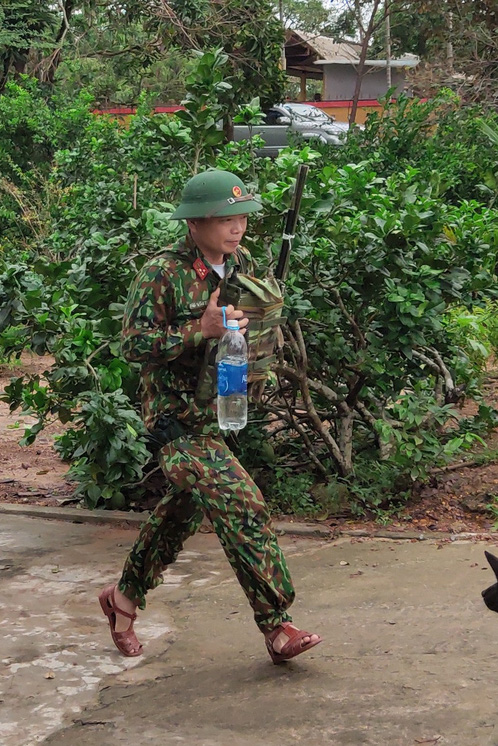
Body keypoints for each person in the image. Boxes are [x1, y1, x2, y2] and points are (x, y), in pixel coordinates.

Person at [98, 169, 322, 665]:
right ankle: (276, 625)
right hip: (175, 422)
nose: (236, 227)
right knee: (243, 504)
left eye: (241, 217)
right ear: (195, 223)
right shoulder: (162, 272)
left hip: (219, 411)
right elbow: (132, 347)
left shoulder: (241, 265)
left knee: (179, 514)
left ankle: (123, 601)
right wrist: (198, 330)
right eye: (224, 218)